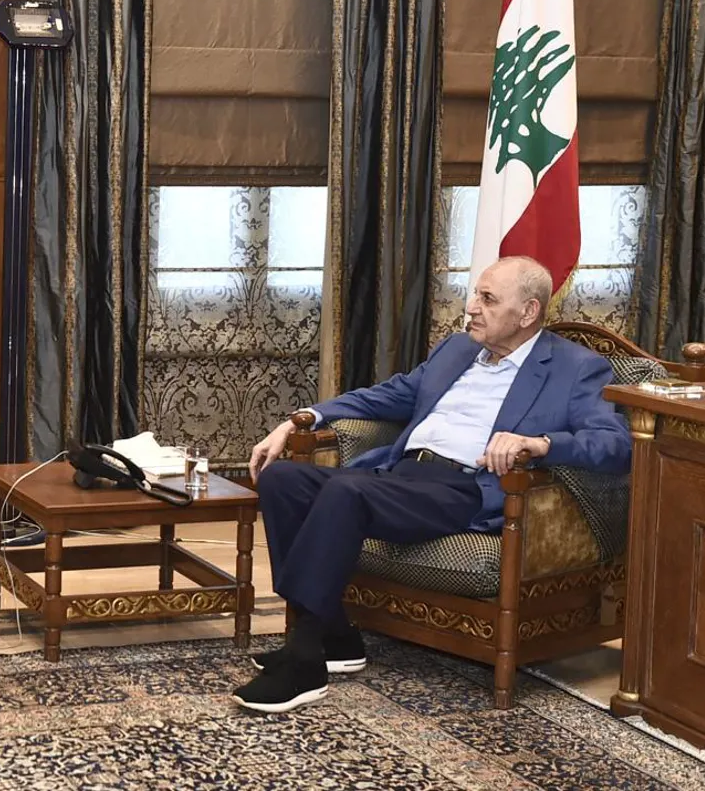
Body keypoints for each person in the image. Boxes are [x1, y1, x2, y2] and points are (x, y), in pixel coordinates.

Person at [237, 256, 630, 713]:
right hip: (401, 476)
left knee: (345, 492)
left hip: (464, 489)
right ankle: (337, 636)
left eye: (488, 299)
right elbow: (388, 396)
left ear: (528, 312)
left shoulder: (576, 368)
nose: (472, 307)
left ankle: (304, 659)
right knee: (282, 478)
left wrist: (539, 443)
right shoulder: (458, 349)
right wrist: (301, 419)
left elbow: (615, 444)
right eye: (475, 294)